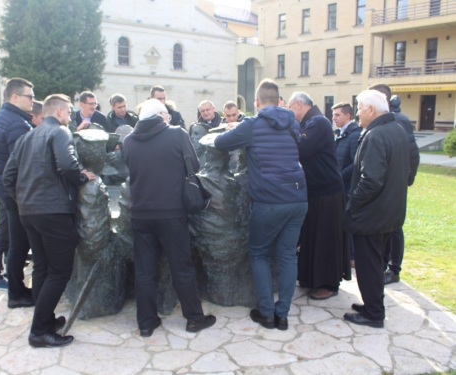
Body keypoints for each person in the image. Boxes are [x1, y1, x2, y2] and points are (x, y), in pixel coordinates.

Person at [3, 94, 96, 348]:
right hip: (53, 213)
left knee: (43, 269)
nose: (70, 117)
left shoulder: (26, 137)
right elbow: (67, 165)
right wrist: (82, 178)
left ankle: (45, 319)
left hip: (29, 213)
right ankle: (39, 331)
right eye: (68, 112)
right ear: (59, 113)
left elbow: (8, 177)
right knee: (59, 272)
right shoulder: (60, 132)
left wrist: (24, 200)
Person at [215, 79, 308, 330]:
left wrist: (232, 128)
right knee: (288, 256)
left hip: (269, 200)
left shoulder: (253, 125)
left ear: (256, 102)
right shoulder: (293, 123)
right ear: (280, 101)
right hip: (298, 197)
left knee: (259, 253)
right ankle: (283, 314)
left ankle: (267, 313)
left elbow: (220, 144)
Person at [123, 98, 216, 337]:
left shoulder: (129, 140)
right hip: (172, 212)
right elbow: (194, 165)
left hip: (140, 214)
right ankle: (194, 318)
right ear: (163, 114)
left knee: (144, 271)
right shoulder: (176, 134)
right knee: (181, 267)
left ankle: (145, 323)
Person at [343, 89, 410, 328]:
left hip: (372, 215)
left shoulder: (376, 135)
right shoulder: (397, 130)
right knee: (376, 264)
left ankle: (373, 313)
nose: (357, 113)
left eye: (359, 108)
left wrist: (352, 204)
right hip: (389, 212)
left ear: (371, 109)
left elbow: (370, 180)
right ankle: (373, 303)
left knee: (368, 265)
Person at [287, 92, 351, 300]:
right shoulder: (311, 122)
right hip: (315, 191)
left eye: (289, 109)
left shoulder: (318, 122)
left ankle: (329, 283)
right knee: (312, 237)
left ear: (298, 105)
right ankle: (311, 277)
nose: (289, 114)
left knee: (326, 239)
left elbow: (301, 148)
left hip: (327, 192)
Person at [368, 83, 420, 285]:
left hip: (395, 184)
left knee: (395, 227)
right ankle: (382, 264)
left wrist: (408, 179)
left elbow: (412, 153)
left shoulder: (399, 120)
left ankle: (394, 269)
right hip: (383, 183)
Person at [0, 77, 34, 303]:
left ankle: (14, 286)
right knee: (19, 242)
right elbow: (21, 166)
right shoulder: (16, 123)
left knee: (11, 238)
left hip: (1, 187)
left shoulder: (1, 118)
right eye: (30, 96)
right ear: (15, 97)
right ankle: (16, 292)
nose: (33, 101)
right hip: (13, 193)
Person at [332, 102, 361, 268]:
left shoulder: (354, 135)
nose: (334, 118)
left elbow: (355, 163)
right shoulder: (340, 134)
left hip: (348, 187)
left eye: (337, 115)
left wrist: (338, 176)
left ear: (348, 116)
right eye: (333, 115)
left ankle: (351, 257)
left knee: (347, 220)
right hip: (340, 185)